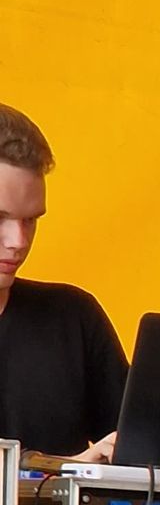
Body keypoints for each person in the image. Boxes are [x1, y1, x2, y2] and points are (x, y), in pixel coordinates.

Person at [0, 104, 128, 455]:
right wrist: (65, 473)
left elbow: (139, 446)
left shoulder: (74, 317)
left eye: (31, 220)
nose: (18, 241)